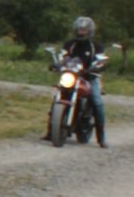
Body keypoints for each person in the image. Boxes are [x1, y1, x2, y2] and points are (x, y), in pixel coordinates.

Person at [42, 15, 108, 147]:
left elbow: (101, 60)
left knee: (97, 102)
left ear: (90, 31)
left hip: (90, 77)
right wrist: (57, 64)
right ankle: (51, 132)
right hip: (71, 76)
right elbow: (63, 56)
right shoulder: (70, 44)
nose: (81, 32)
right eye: (79, 30)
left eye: (83, 30)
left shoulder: (96, 46)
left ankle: (101, 137)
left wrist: (97, 66)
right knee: (57, 98)